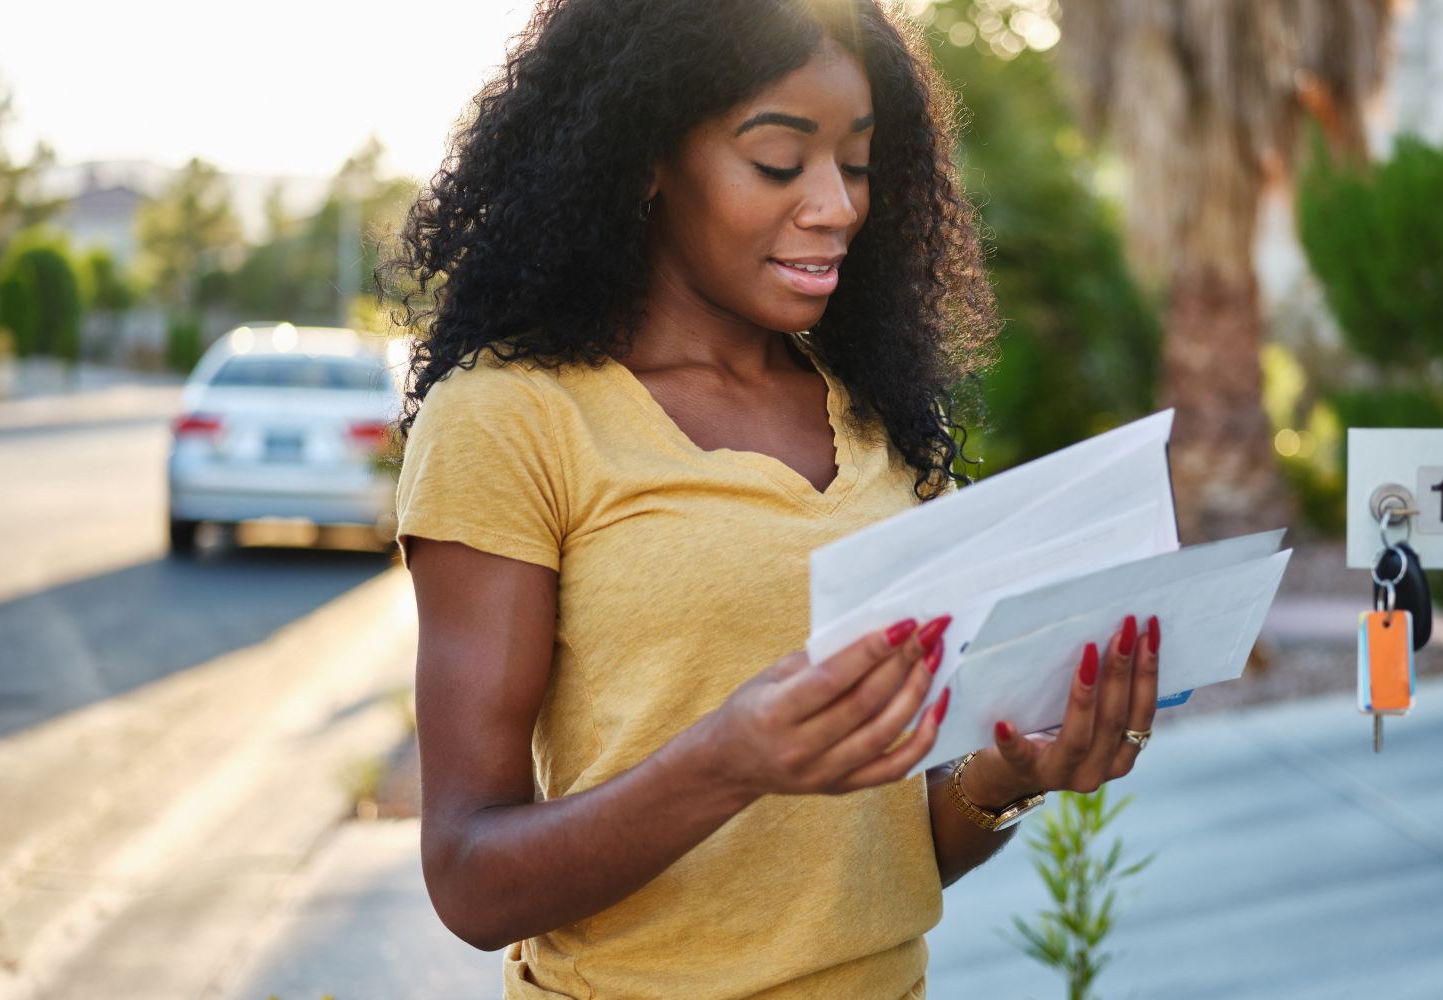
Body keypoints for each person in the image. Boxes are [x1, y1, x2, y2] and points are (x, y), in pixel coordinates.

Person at [384, 1, 1161, 996]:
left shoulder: (875, 414)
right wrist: (726, 760)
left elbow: (874, 862)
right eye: (780, 163)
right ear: (647, 158)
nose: (836, 205)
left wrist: (1002, 782)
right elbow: (469, 879)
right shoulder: (511, 420)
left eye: (859, 163)